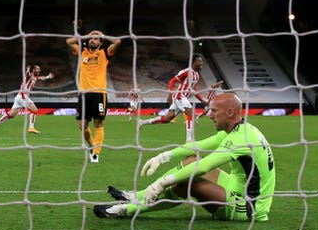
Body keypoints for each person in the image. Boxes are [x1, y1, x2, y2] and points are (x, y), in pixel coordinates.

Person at [94, 93, 276, 222]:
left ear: (230, 113)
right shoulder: (239, 130)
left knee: (189, 181)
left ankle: (127, 210)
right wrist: (163, 157)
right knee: (190, 160)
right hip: (236, 186)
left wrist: (162, 182)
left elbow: (204, 166)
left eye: (214, 111)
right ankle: (134, 196)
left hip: (248, 206)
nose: (209, 115)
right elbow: (195, 147)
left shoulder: (240, 138)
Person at [66, 29, 121, 163]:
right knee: (82, 126)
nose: (92, 40)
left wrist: (103, 35)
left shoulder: (104, 53)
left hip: (99, 93)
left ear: (100, 43)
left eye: (96, 39)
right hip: (83, 94)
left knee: (98, 123)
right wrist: (88, 35)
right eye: (91, 39)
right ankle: (91, 145)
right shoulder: (82, 52)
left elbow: (118, 41)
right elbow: (68, 41)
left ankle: (95, 154)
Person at [137, 54, 208, 142]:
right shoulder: (186, 72)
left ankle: (142, 122)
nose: (201, 63)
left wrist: (201, 100)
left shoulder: (196, 75)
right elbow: (172, 81)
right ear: (194, 62)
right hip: (179, 96)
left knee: (167, 119)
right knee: (191, 114)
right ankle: (189, 140)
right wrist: (170, 94)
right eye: (199, 61)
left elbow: (193, 89)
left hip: (182, 98)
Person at [0, 64, 55, 134]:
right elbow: (27, 75)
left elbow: (41, 78)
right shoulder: (30, 75)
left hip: (19, 97)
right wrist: (27, 70)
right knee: (35, 110)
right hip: (23, 96)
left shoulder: (34, 77)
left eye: (39, 69)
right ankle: (31, 127)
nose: (39, 70)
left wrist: (48, 76)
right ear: (33, 70)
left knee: (11, 115)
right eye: (37, 69)